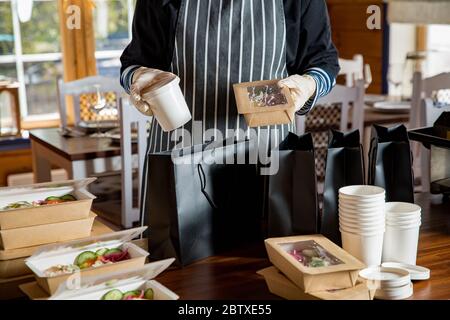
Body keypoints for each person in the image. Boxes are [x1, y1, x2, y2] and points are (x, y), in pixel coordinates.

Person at [121, 0, 340, 154]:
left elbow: (324, 62)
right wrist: (137, 78)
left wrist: (310, 84)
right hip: (179, 153)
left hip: (267, 154)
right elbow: (133, 63)